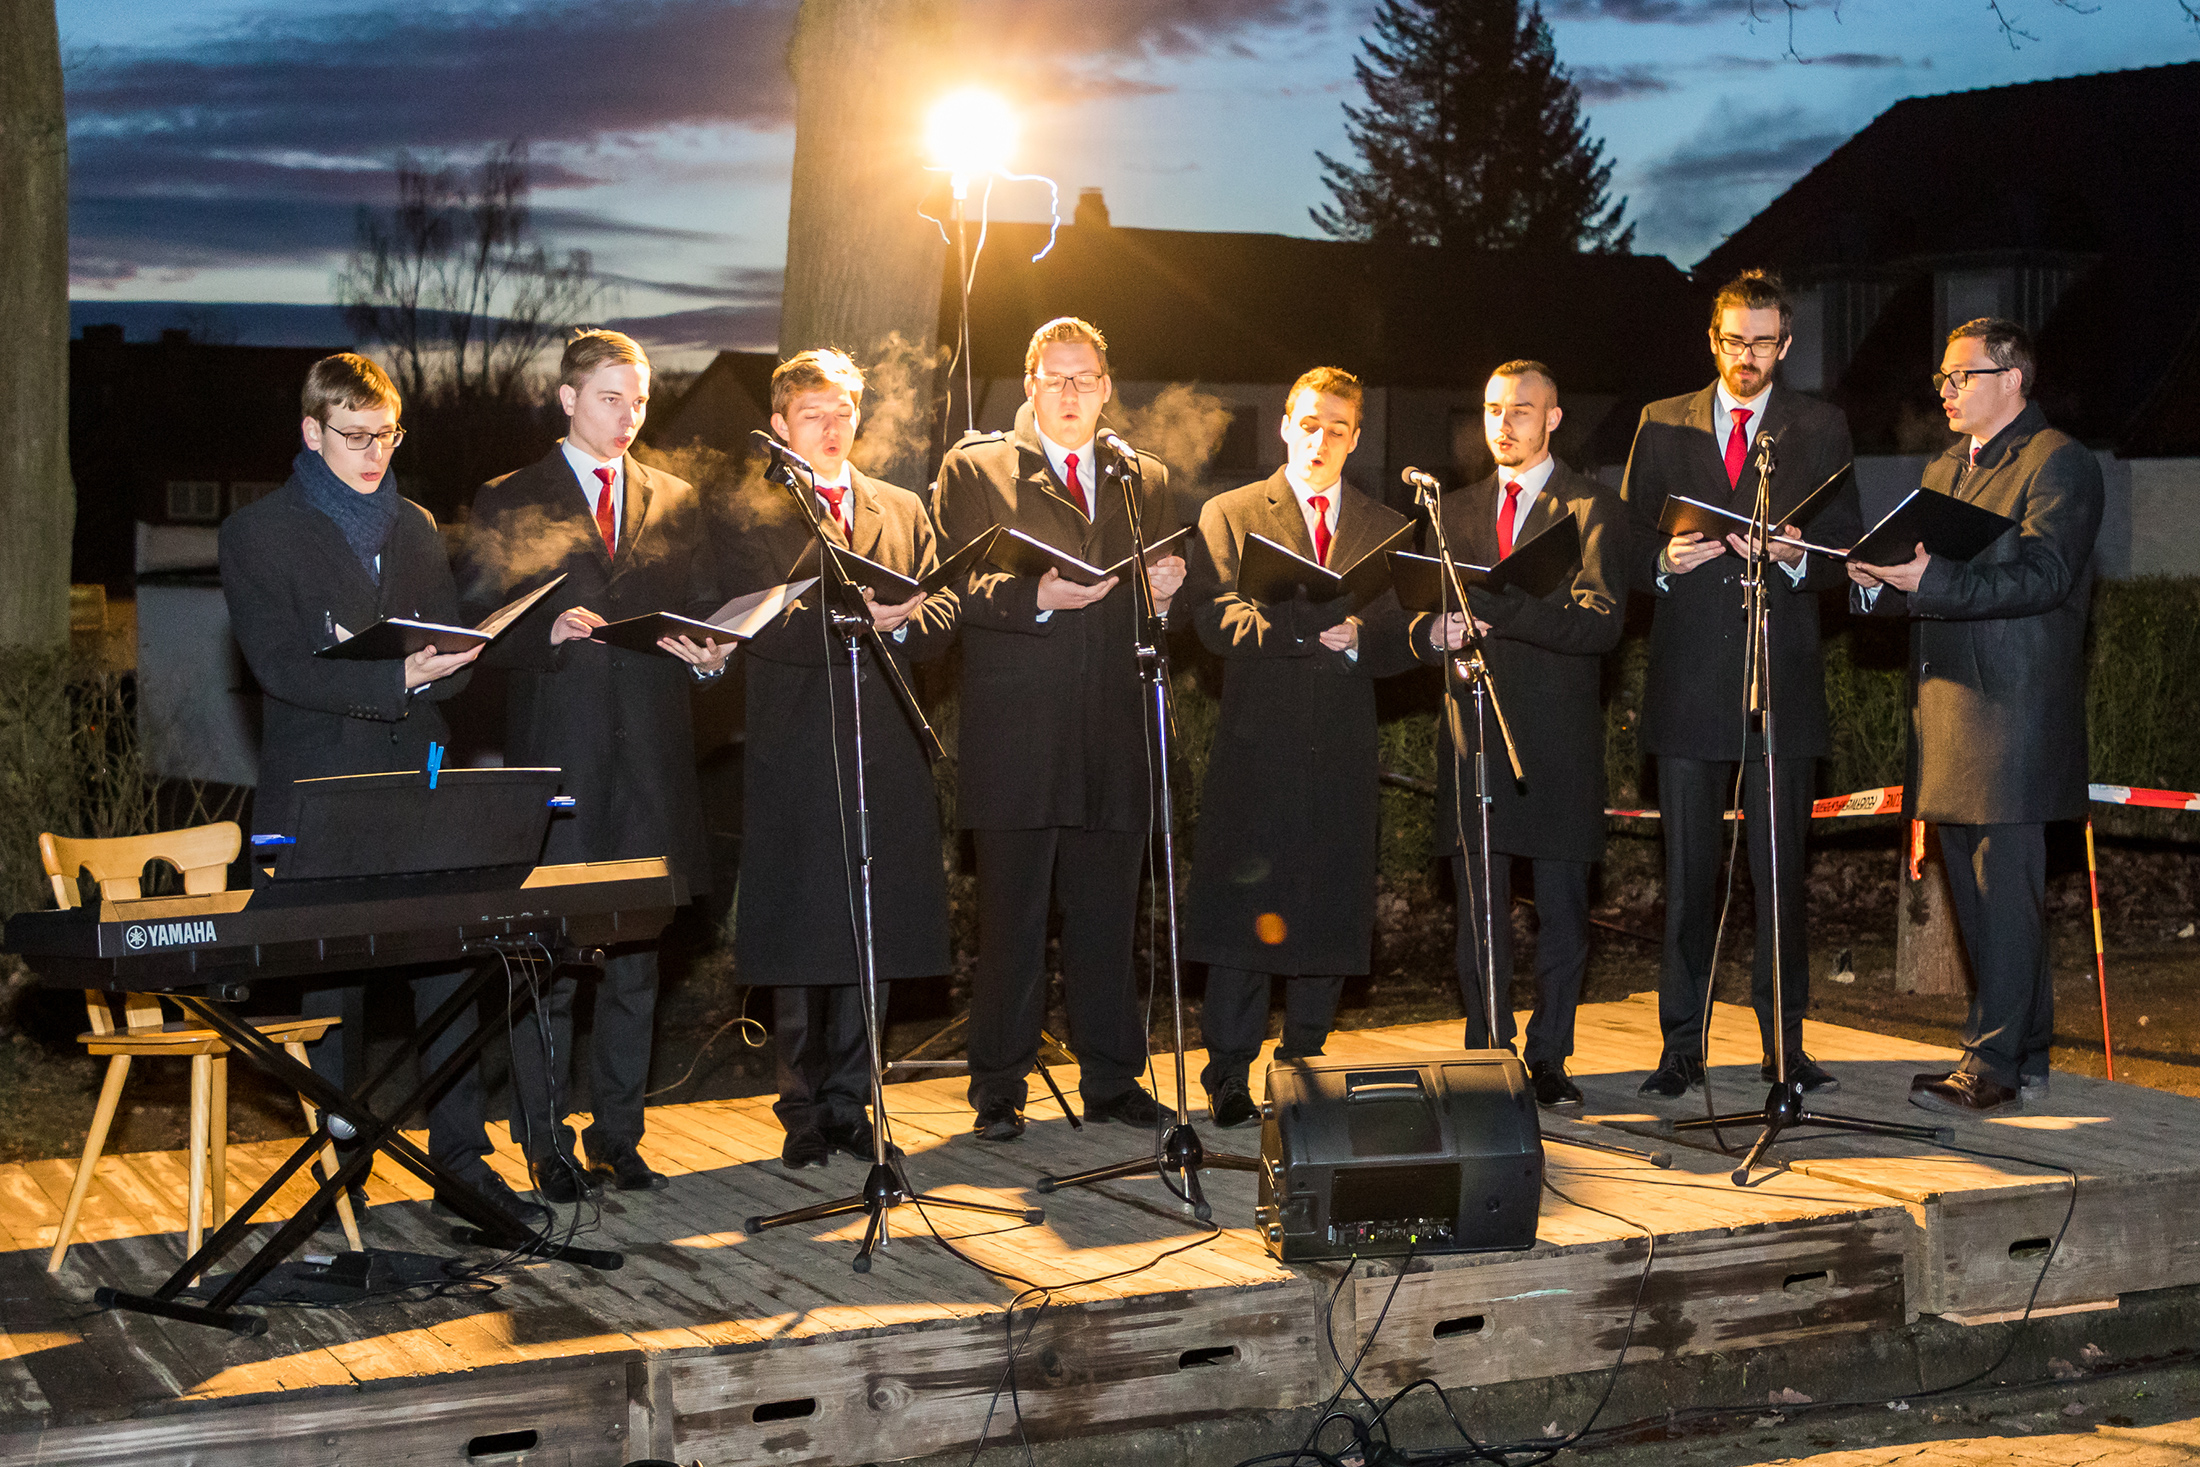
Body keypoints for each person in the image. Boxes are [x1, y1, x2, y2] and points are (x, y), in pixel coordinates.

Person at [218, 353, 542, 1224]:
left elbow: (446, 672)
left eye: (387, 436)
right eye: (354, 437)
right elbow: (280, 669)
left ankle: (463, 1163)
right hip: (321, 787)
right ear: (311, 433)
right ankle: (338, 1165)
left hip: (419, 780)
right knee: (336, 993)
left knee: (449, 962)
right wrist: (395, 678)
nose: (373, 454)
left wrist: (448, 667)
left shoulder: (417, 525)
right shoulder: (257, 533)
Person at [458, 329, 729, 1200]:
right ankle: (544, 1143)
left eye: (640, 399)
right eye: (611, 398)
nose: (628, 416)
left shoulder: (676, 499)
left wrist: (710, 652)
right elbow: (473, 629)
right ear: (567, 398)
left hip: (652, 763)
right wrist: (543, 629)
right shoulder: (507, 498)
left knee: (637, 961)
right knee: (549, 963)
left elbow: (695, 613)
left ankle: (620, 1133)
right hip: (562, 766)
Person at [932, 316, 1186, 1141]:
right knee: (1012, 922)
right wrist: (1034, 595)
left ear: (1108, 388)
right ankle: (999, 1085)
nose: (1071, 394)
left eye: (1086, 378)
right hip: (1019, 736)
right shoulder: (975, 469)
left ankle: (1113, 1079)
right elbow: (953, 592)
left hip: (1112, 731)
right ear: (1030, 385)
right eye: (1056, 378)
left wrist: (1168, 593)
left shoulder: (1142, 475)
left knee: (1109, 921)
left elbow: (1151, 609)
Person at [1620, 270, 1862, 1101]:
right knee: (1690, 882)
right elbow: (1620, 548)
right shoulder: (1661, 423)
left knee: (1778, 883)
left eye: (1764, 342)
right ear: (1712, 339)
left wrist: (1801, 560)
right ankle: (1680, 1047)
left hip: (1780, 689)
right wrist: (1660, 562)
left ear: (1785, 346)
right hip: (1688, 684)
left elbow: (1843, 548)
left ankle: (1784, 1050)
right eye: (1734, 340)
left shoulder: (1820, 426)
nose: (1747, 356)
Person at [1849, 318, 2101, 1116]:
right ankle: (2023, 1053)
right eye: (1943, 380)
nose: (1948, 391)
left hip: (2013, 717)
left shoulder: (2058, 460)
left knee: (2006, 893)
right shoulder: (1947, 467)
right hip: (1950, 715)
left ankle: (1990, 1064)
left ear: (2014, 379)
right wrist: (1872, 580)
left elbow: (2045, 576)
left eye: (1963, 377)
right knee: (1980, 896)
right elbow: (1928, 578)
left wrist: (1931, 581)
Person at [715, 350, 958, 1168]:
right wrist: (859, 621)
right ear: (781, 424)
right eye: (813, 414)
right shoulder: (751, 512)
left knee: (872, 920)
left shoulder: (898, 504)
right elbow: (752, 619)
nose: (831, 427)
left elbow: (943, 602)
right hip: (795, 742)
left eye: (844, 412)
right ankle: (799, 1105)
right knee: (801, 922)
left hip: (884, 741)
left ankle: (854, 1098)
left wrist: (906, 621)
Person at [1181, 367, 1413, 1128]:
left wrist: (1368, 637)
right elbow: (1215, 617)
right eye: (1308, 423)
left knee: (1327, 905)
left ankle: (1303, 1063)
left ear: (1355, 437)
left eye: (1337, 428)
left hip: (1343, 746)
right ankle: (1227, 1071)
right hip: (1258, 744)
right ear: (1285, 424)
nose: (1320, 439)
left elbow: (1404, 630)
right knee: (1248, 911)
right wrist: (1307, 630)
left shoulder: (1386, 526)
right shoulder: (1232, 511)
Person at [1412, 362, 1627, 1107]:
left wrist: (1506, 608)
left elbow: (1603, 624)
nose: (1504, 424)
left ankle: (1550, 1057)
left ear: (1554, 419)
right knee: (1481, 910)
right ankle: (1488, 1054)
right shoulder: (1452, 511)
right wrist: (1427, 630)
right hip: (1473, 735)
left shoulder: (1593, 505)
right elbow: (1416, 609)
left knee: (1564, 908)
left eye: (1523, 410)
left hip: (1558, 739)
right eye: (1493, 409)